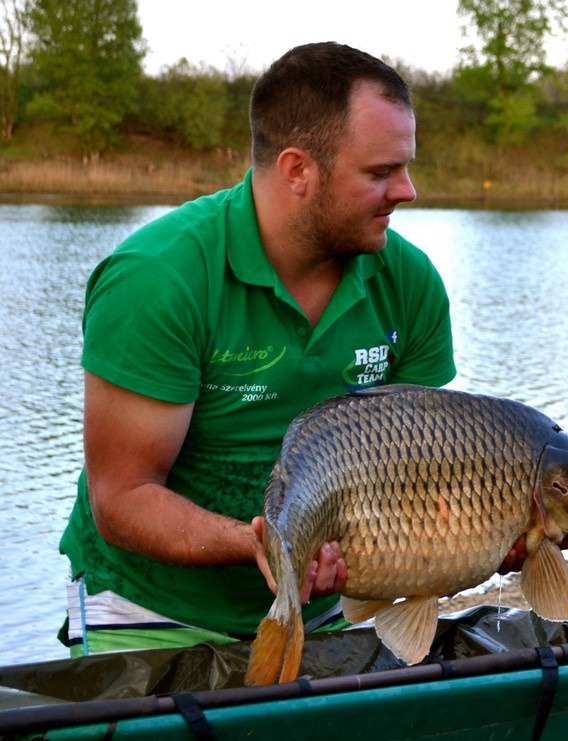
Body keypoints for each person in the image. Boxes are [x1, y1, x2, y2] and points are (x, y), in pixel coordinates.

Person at [57, 42, 463, 655]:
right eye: (380, 172)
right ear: (297, 169)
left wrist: (504, 529)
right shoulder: (158, 279)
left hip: (326, 613)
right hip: (149, 610)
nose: (407, 191)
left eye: (405, 167)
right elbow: (122, 499)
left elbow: (421, 473)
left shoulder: (410, 284)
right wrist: (266, 544)